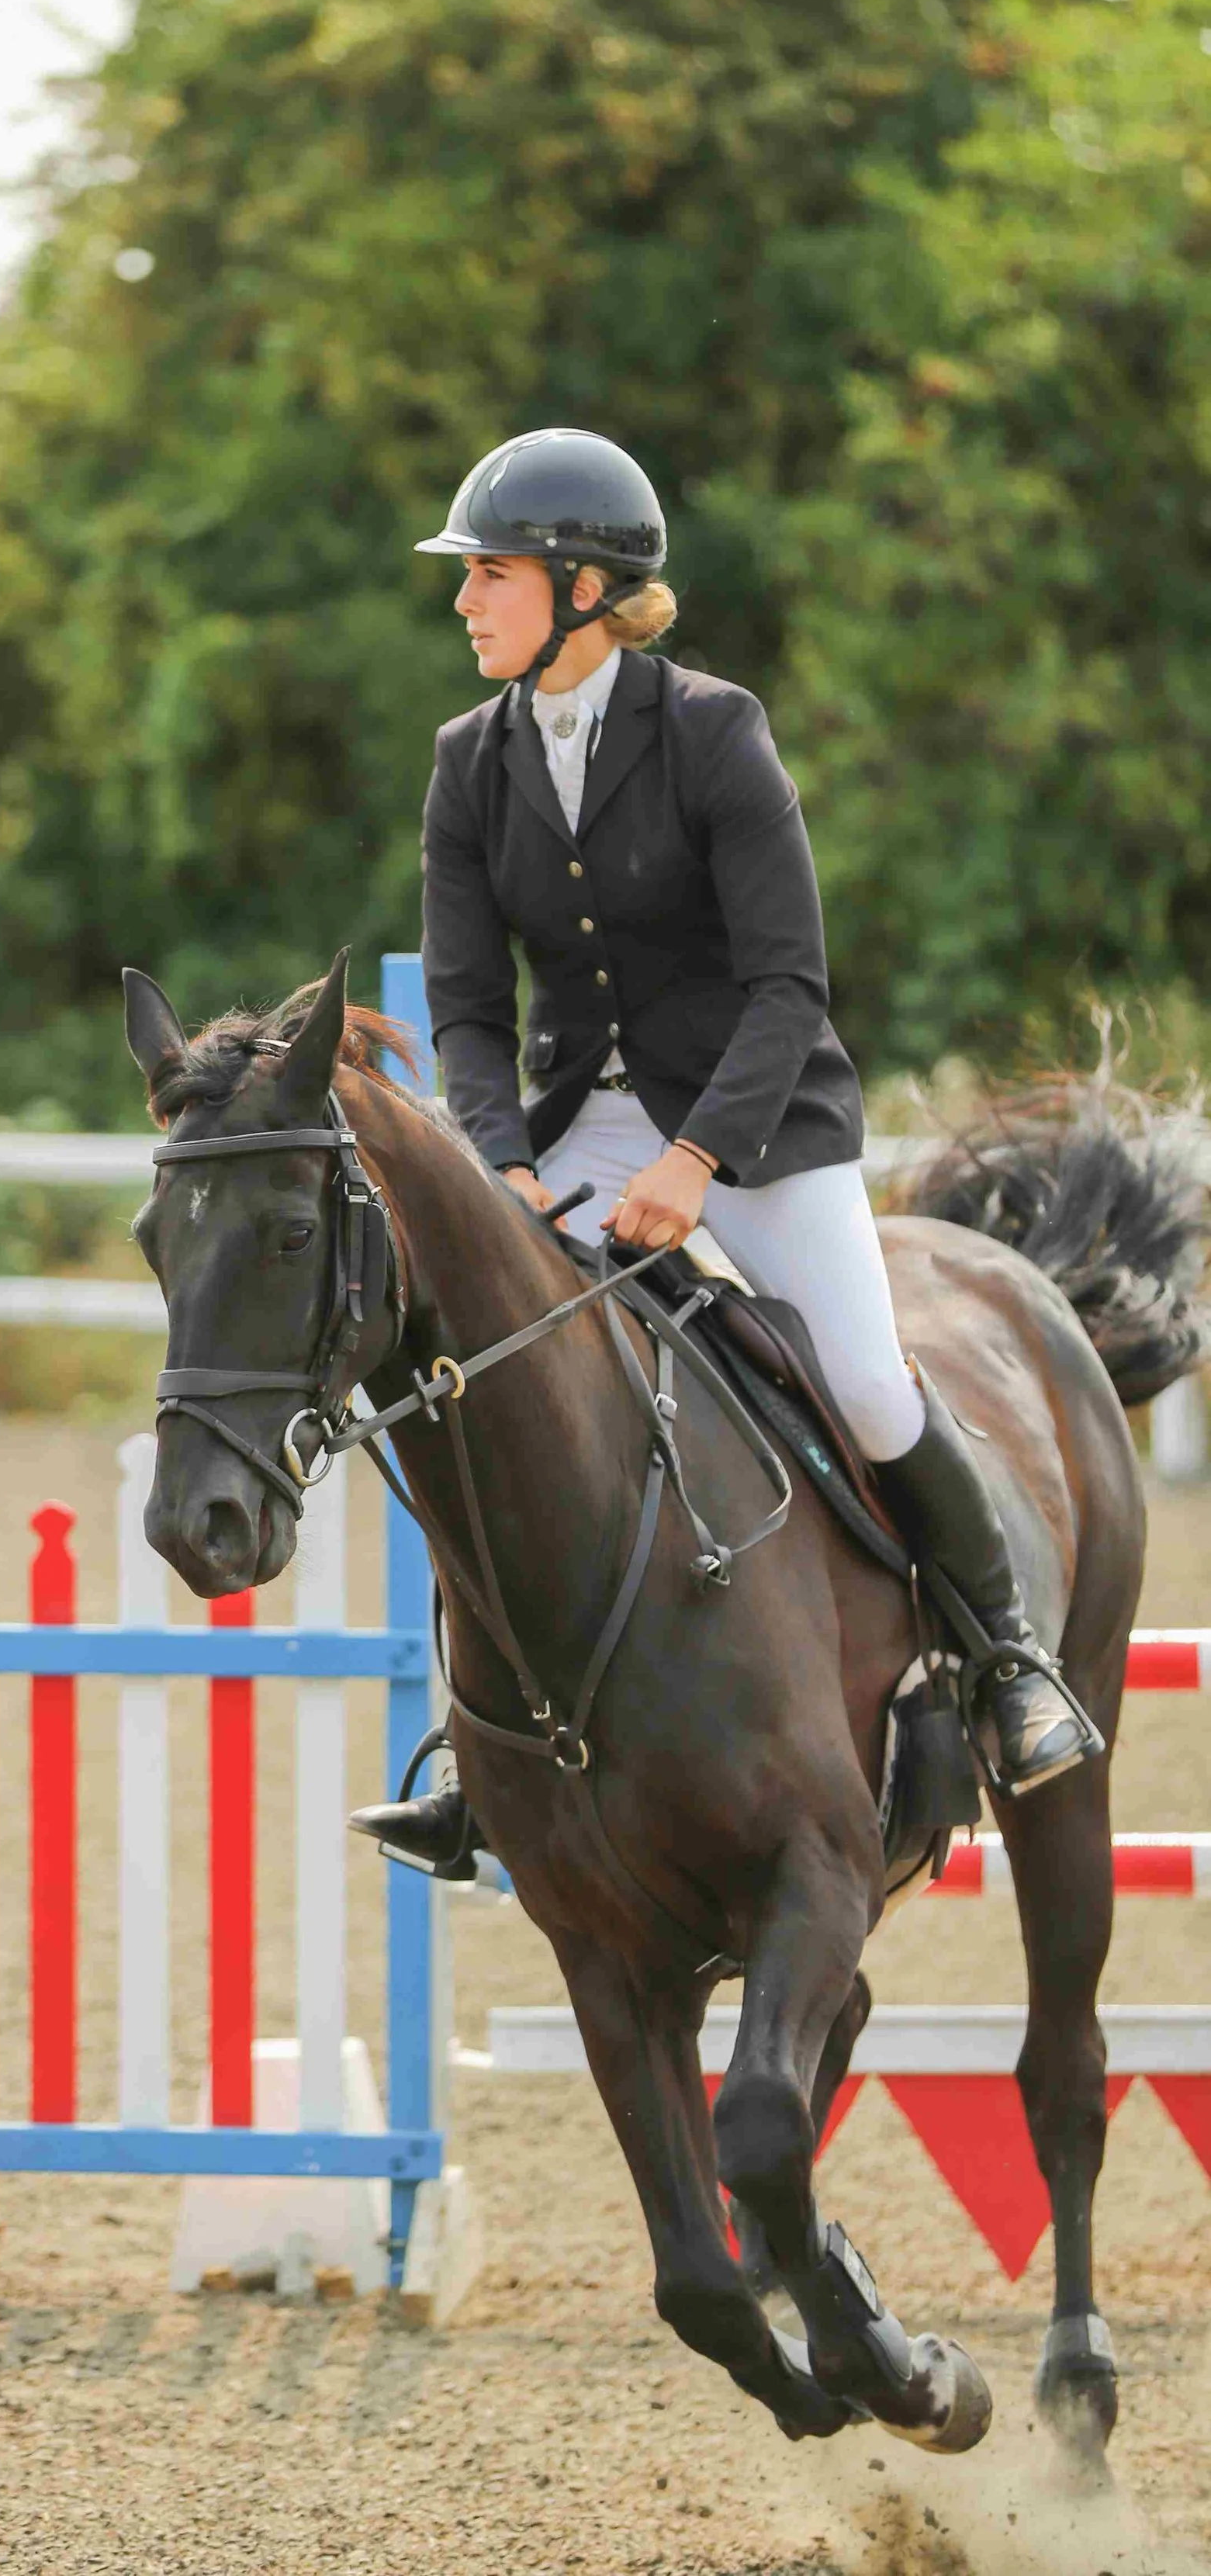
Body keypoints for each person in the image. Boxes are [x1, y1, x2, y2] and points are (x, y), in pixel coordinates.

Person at [351, 428, 1092, 1875]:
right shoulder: (469, 763)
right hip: (570, 1126)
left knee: (870, 1380)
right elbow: (462, 1005)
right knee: (485, 1385)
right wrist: (499, 1163)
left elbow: (786, 986)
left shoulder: (712, 731)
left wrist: (697, 1162)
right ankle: (475, 1745)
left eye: (487, 574)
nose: (463, 600)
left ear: (580, 586)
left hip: (758, 1124)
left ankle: (1007, 1666)